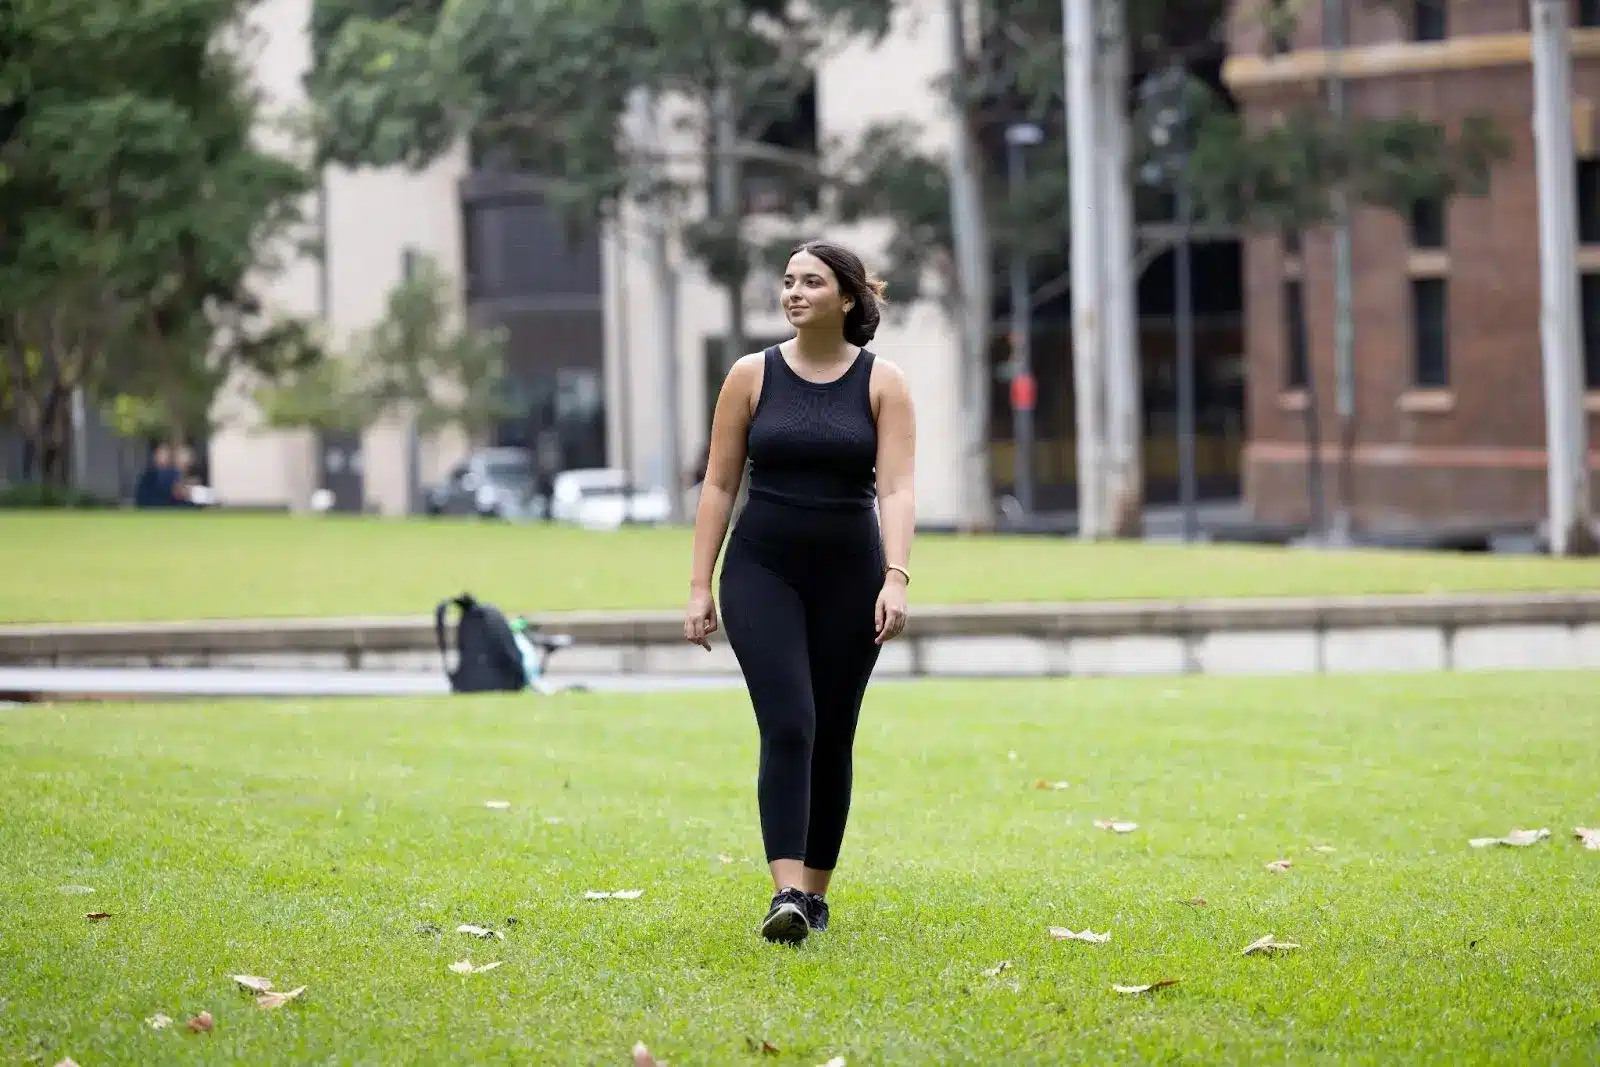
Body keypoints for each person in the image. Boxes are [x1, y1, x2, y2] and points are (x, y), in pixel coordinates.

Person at [683, 239, 917, 945]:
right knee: (790, 721)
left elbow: (900, 487)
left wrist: (896, 577)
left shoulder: (884, 382)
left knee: (834, 730)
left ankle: (814, 895)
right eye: (787, 281)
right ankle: (785, 888)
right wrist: (699, 584)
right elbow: (719, 483)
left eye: (810, 282)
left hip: (852, 573)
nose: (793, 292)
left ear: (846, 298)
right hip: (762, 570)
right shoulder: (751, 376)